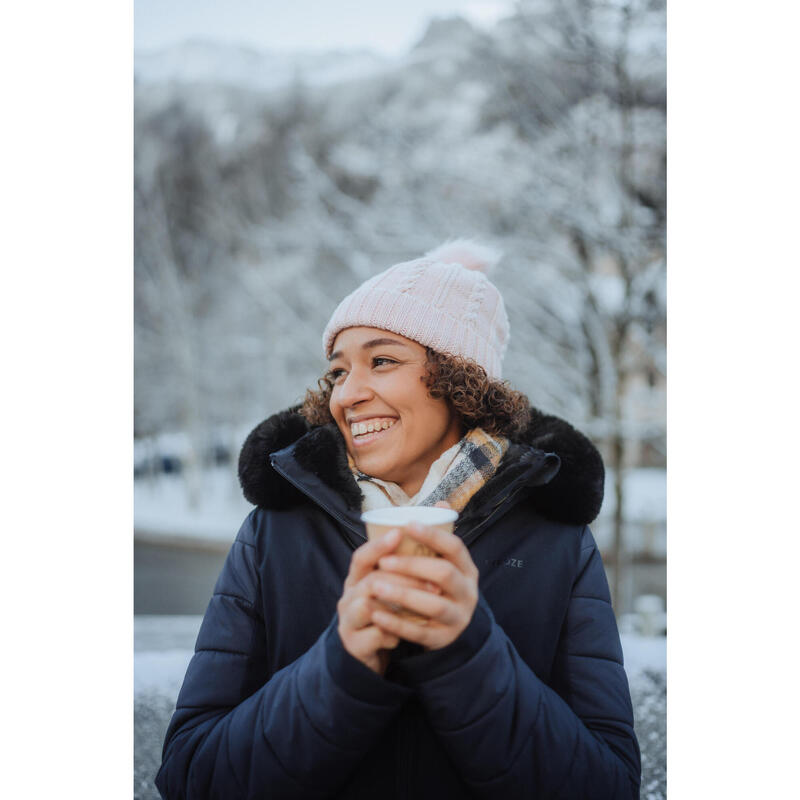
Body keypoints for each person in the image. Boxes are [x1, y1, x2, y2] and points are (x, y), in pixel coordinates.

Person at [156, 240, 641, 799]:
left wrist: (468, 653)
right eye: (338, 372)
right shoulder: (274, 530)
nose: (348, 395)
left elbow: (610, 787)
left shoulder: (558, 540)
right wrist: (343, 667)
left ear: (461, 382)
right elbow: (191, 778)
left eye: (382, 361)